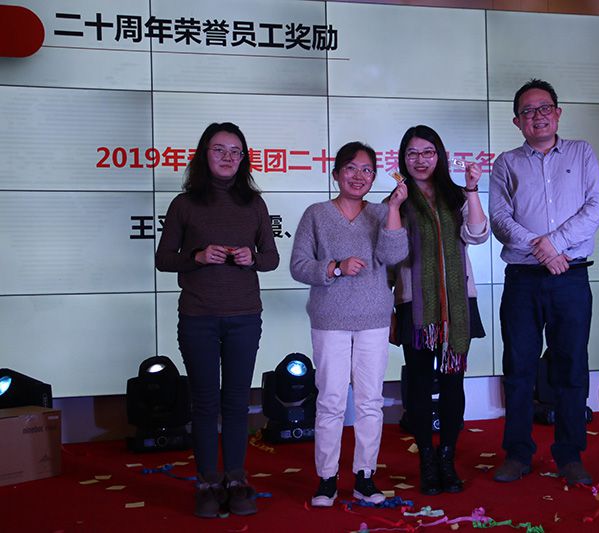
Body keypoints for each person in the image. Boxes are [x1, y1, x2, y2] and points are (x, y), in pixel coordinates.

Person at [155, 122, 279, 518]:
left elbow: (272, 258)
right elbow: (163, 259)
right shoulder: (184, 204)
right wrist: (196, 256)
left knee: (238, 401)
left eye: (235, 151)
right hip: (198, 317)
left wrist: (251, 258)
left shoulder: (254, 204)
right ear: (203, 155)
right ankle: (208, 482)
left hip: (245, 316)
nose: (227, 157)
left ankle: (237, 479)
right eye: (219, 149)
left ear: (244, 158)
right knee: (206, 402)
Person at [489, 79, 599, 486]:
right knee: (518, 367)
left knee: (571, 366)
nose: (537, 116)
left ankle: (570, 455)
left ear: (558, 113)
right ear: (516, 121)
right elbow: (500, 219)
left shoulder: (581, 152)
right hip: (523, 280)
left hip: (570, 277)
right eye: (527, 111)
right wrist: (541, 250)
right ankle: (518, 454)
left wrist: (555, 244)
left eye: (544, 108)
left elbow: (597, 205)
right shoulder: (506, 163)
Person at [290, 141, 408, 507]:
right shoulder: (316, 214)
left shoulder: (381, 212)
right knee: (331, 400)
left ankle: (364, 477)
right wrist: (335, 267)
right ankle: (326, 479)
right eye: (351, 169)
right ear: (336, 173)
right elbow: (298, 265)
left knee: (371, 401)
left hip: (374, 319)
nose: (359, 176)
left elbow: (395, 255)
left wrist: (394, 209)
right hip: (330, 320)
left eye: (367, 170)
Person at [392, 125, 489, 495]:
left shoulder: (455, 194)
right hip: (415, 306)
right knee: (418, 385)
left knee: (453, 383)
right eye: (412, 153)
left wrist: (472, 189)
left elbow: (477, 234)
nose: (420, 160)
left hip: (458, 305)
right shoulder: (397, 199)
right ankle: (426, 462)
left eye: (428, 152)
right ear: (403, 158)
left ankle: (447, 458)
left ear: (440, 156)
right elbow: (389, 256)